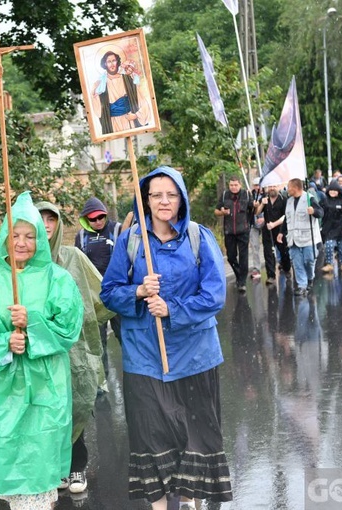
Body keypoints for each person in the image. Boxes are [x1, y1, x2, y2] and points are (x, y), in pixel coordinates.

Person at [101, 166, 232, 510]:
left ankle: (189, 500)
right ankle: (159, 505)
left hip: (195, 356)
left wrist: (172, 309)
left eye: (171, 194)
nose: (164, 201)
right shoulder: (131, 241)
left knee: (193, 435)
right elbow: (109, 292)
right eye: (156, 194)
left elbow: (214, 295)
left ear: (182, 199)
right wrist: (138, 291)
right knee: (150, 436)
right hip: (144, 357)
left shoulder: (199, 237)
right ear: (145, 200)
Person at [0, 191, 84, 510]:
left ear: (41, 238)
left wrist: (34, 325)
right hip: (4, 392)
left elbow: (68, 329)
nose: (23, 242)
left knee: (39, 478)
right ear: (4, 236)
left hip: (45, 389)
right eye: (15, 235)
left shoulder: (58, 279)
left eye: (30, 235)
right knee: (12, 471)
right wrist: (5, 344)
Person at [36, 200, 112, 497]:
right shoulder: (24, 264)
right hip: (41, 350)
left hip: (73, 347)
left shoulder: (72, 257)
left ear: (58, 224)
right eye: (39, 219)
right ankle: (57, 467)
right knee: (47, 407)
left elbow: (99, 293)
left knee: (75, 402)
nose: (45, 225)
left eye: (50, 219)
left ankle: (77, 464)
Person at [76, 197, 122, 382]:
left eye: (101, 217)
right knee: (98, 342)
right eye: (93, 219)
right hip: (95, 298)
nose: (98, 222)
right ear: (86, 219)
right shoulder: (81, 237)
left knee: (126, 336)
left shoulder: (117, 229)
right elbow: (77, 266)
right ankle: (101, 381)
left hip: (117, 293)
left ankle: (136, 375)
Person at [90, 49, 151, 134]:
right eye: (109, 61)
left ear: (117, 62)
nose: (112, 64)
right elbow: (98, 111)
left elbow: (141, 100)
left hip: (129, 119)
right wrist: (94, 95)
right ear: (105, 64)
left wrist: (136, 115)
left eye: (113, 61)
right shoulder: (99, 84)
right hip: (113, 122)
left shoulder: (128, 79)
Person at [282, 178, 323, 296]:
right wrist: (281, 232)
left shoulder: (309, 198)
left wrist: (314, 211)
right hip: (293, 238)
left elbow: (321, 212)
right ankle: (302, 285)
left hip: (308, 238)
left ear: (295, 188)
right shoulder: (288, 201)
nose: (287, 189)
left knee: (309, 261)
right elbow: (287, 218)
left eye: (289, 187)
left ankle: (310, 277)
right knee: (297, 263)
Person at [214, 175, 254, 292]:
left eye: (236, 185)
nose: (233, 187)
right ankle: (239, 275)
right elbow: (216, 211)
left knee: (243, 257)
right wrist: (222, 212)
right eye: (231, 185)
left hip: (243, 231)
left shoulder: (246, 195)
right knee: (231, 257)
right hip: (229, 231)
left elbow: (254, 210)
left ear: (240, 185)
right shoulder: (225, 195)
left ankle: (242, 283)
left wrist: (256, 205)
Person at [257, 184, 291, 286]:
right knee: (268, 253)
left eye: (274, 186)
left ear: (278, 187)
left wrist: (274, 224)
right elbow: (256, 212)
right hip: (267, 231)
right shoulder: (264, 200)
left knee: (284, 252)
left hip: (281, 230)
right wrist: (262, 204)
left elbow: (286, 216)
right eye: (270, 186)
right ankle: (271, 276)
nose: (272, 188)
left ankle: (286, 268)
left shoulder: (284, 200)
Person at [320, 181, 342, 274]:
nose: (333, 192)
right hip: (329, 228)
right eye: (331, 190)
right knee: (329, 245)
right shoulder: (324, 200)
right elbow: (318, 210)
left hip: (341, 228)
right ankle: (329, 264)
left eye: (335, 190)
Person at [249, 177, 265, 281]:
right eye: (255, 185)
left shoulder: (267, 195)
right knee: (255, 247)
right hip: (253, 224)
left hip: (265, 223)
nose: (257, 187)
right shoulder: (250, 195)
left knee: (268, 247)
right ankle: (256, 268)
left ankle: (271, 267)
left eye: (259, 185)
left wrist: (264, 218)